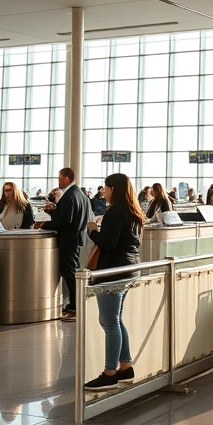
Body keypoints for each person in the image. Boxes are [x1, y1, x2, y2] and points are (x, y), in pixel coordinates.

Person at [83, 172, 145, 391]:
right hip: (128, 270)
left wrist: (92, 231)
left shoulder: (115, 212)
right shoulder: (133, 211)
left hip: (113, 272)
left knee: (109, 321)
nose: (103, 192)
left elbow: (107, 244)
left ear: (113, 189)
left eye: (106, 188)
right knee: (116, 319)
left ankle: (110, 373)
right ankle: (125, 366)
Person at [40, 167, 91, 322]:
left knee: (69, 273)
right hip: (74, 239)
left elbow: (65, 221)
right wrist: (53, 211)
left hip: (68, 240)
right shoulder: (79, 194)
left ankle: (76, 307)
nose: (58, 181)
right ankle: (74, 305)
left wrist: (43, 225)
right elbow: (68, 216)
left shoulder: (69, 196)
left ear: (67, 178)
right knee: (71, 271)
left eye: (60, 178)